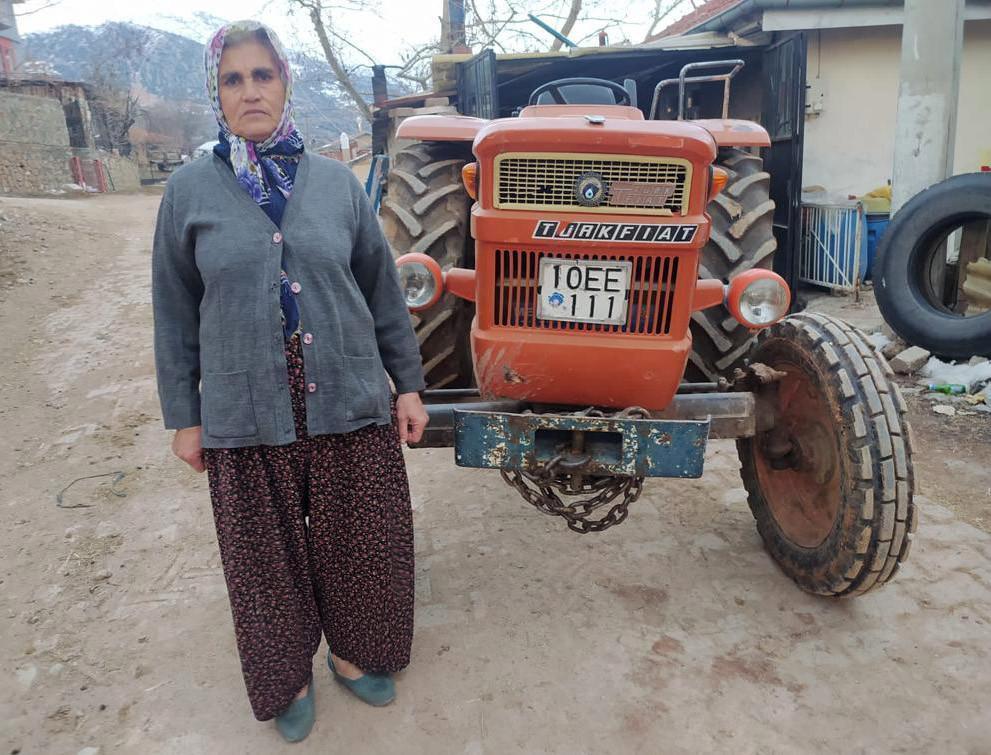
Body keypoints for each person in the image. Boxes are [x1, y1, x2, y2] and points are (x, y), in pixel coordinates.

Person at [151, 20, 428, 743]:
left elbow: (381, 291)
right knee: (262, 559)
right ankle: (288, 677)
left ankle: (353, 651)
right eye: (232, 79)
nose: (250, 91)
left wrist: (406, 384)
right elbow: (174, 311)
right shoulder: (188, 191)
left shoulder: (336, 185)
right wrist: (184, 416)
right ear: (216, 92)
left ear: (284, 83)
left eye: (262, 75)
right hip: (245, 406)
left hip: (348, 393)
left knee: (361, 540)